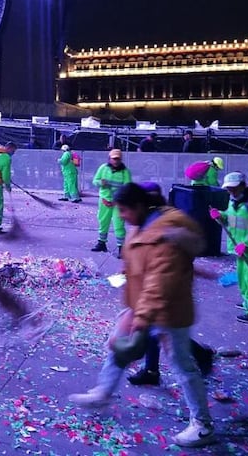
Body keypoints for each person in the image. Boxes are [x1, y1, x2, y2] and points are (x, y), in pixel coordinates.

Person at [69, 182, 216, 448]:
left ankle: (203, 425)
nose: (121, 216)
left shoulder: (165, 236)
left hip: (168, 312)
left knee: (183, 366)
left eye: (124, 210)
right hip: (143, 307)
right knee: (117, 347)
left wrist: (141, 316)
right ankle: (103, 392)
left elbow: (160, 282)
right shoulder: (144, 226)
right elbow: (139, 269)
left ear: (138, 206)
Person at [125, 182, 215, 386]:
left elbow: (168, 267)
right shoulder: (145, 223)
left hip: (167, 294)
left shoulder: (167, 224)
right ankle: (151, 370)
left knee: (170, 337)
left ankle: (198, 357)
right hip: (152, 291)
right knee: (158, 333)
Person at [210, 172, 248, 323]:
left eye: (234, 188)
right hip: (241, 250)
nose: (231, 191)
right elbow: (233, 221)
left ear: (243, 185)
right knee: (243, 279)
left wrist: (247, 244)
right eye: (228, 188)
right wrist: (220, 216)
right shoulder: (234, 202)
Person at [91, 149, 133, 253]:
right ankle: (101, 243)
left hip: (118, 203)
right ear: (109, 159)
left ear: (121, 159)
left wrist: (116, 200)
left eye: (117, 159)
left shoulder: (125, 172)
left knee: (118, 224)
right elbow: (94, 181)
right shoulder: (103, 168)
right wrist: (101, 183)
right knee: (103, 222)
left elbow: (128, 188)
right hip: (104, 200)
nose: (115, 161)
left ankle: (121, 248)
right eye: (113, 159)